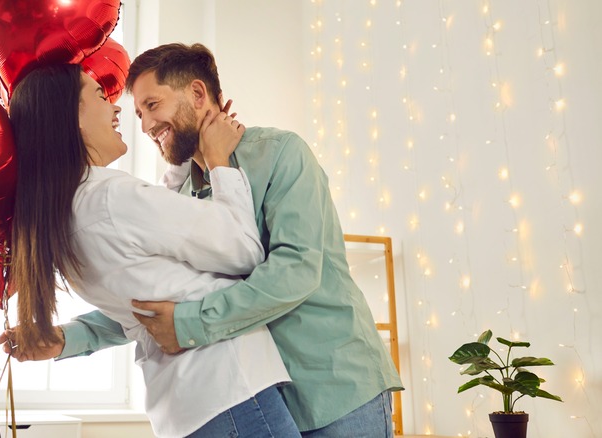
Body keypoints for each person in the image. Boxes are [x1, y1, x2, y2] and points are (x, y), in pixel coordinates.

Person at [0, 62, 301, 438]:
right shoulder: (110, 197)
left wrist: (180, 163)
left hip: (185, 407)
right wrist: (220, 162)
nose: (118, 109)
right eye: (99, 95)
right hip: (230, 390)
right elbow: (243, 250)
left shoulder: (63, 217)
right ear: (71, 117)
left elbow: (153, 268)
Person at [120, 43, 405, 437]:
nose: (146, 125)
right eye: (139, 113)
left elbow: (296, 271)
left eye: (153, 105)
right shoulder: (184, 196)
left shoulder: (281, 154)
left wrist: (188, 322)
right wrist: (66, 339)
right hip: (264, 406)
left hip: (338, 390)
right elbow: (157, 287)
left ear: (198, 95)